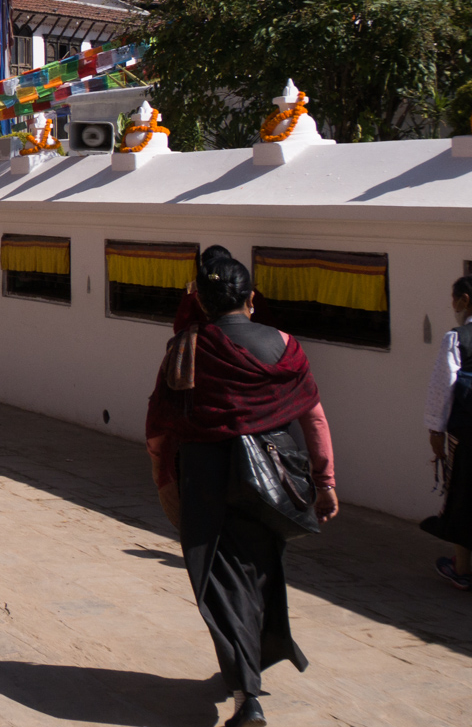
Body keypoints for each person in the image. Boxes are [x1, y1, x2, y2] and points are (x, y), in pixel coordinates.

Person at [145, 257, 338, 725]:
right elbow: (312, 416)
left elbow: (162, 425)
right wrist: (325, 481)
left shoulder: (187, 347)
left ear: (202, 303)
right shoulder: (285, 345)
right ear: (251, 300)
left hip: (207, 473)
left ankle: (246, 692)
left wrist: (163, 478)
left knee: (217, 578)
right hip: (274, 474)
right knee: (258, 571)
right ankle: (248, 668)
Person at [422, 276, 472, 589]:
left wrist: (435, 431)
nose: (452, 306)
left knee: (462, 495)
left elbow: (443, 388)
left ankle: (462, 569)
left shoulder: (457, 338)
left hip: (466, 433)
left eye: (454, 299)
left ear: (464, 300)